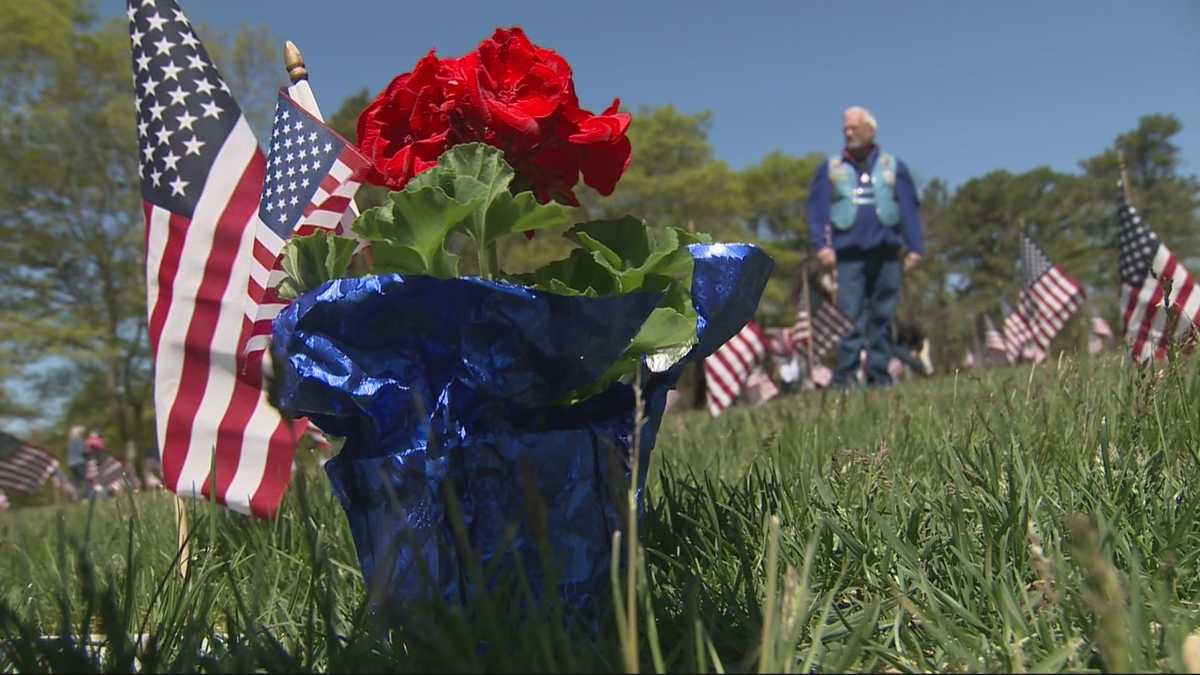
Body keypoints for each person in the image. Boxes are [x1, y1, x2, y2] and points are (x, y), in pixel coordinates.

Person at [807, 106, 925, 387]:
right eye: (845, 128)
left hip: (887, 252)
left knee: (883, 315)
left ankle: (879, 376)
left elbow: (909, 208)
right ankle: (845, 379)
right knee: (850, 317)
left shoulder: (893, 166)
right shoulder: (831, 168)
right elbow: (818, 210)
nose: (848, 133)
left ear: (871, 130)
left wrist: (915, 247)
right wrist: (822, 245)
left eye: (854, 127)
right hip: (848, 255)